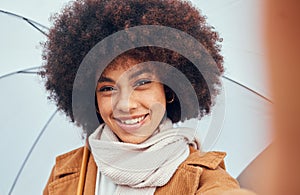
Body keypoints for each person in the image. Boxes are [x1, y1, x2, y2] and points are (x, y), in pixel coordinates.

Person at [41, 0, 255, 194]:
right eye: (107, 88)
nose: (125, 104)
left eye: (142, 83)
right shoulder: (66, 174)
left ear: (169, 88)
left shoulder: (202, 177)